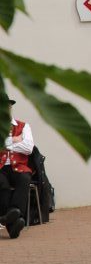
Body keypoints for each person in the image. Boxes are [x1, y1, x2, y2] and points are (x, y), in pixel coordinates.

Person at [0, 97, 32, 238]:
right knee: (2, 184)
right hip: (0, 168)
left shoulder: (24, 126)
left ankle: (8, 217)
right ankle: (14, 224)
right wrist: (14, 140)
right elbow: (21, 144)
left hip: (19, 167)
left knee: (24, 179)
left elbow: (28, 148)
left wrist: (5, 143)